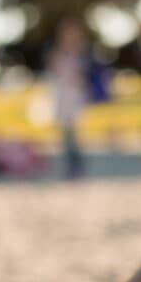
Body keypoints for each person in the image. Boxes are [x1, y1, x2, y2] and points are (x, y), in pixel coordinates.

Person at [48, 20, 91, 179]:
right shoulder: (58, 54)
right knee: (66, 136)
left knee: (73, 135)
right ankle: (71, 167)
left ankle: (76, 167)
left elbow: (81, 79)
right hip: (64, 99)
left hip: (74, 100)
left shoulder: (80, 55)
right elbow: (55, 76)